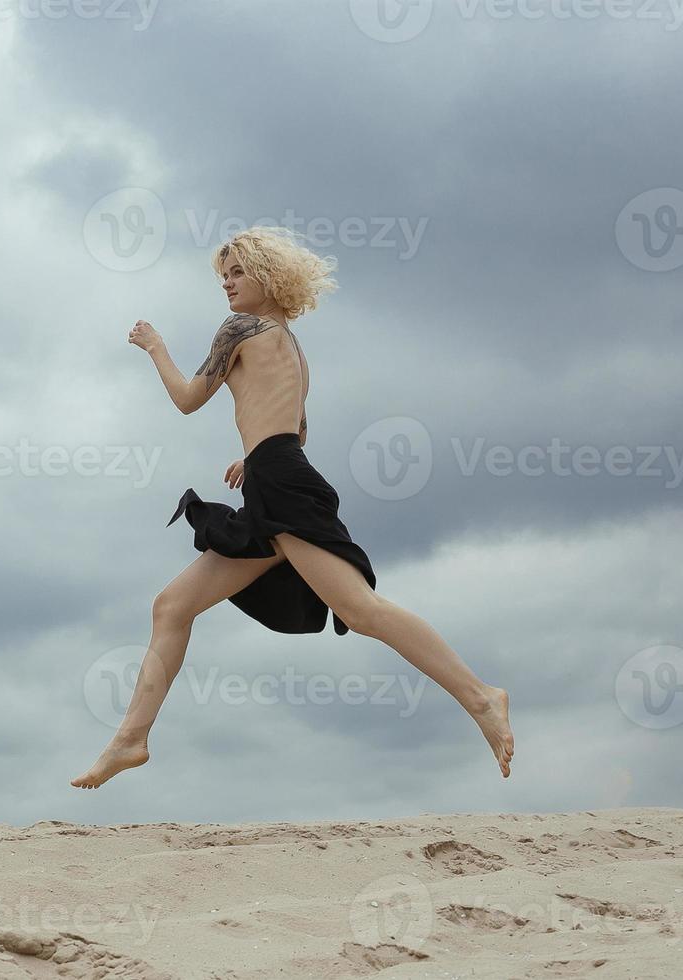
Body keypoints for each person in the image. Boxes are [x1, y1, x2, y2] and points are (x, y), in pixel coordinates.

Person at [71, 226, 513, 789]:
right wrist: (250, 459)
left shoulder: (240, 328)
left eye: (237, 272)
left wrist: (155, 347)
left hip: (279, 484)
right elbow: (296, 429)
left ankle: (481, 698)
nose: (227, 284)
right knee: (172, 607)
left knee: (361, 611)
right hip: (276, 478)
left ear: (267, 274)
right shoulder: (292, 346)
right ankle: (131, 739)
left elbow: (187, 400)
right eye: (222, 276)